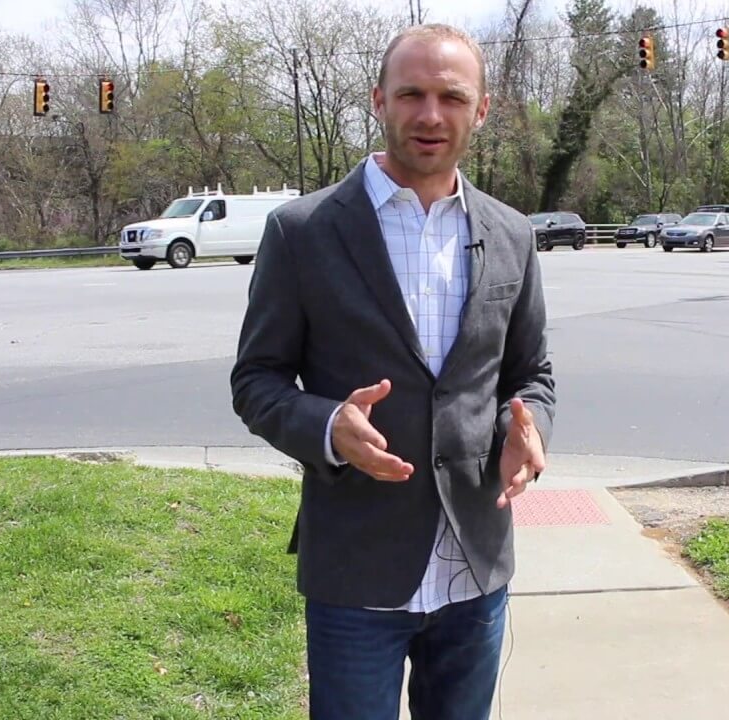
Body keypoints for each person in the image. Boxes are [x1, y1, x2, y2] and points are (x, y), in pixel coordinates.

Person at [229, 22, 555, 720]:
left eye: (451, 96)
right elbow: (255, 380)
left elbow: (530, 373)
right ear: (379, 100)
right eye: (411, 94)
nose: (430, 115)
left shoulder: (512, 235)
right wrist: (326, 426)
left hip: (476, 571)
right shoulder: (303, 231)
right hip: (357, 573)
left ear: (482, 109)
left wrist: (527, 430)